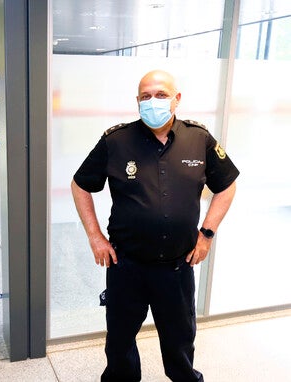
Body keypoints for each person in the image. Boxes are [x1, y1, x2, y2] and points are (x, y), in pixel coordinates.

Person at [71, 70, 239, 382]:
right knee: (119, 342)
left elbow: (227, 186)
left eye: (161, 95)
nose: (153, 101)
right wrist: (95, 237)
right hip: (126, 266)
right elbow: (80, 185)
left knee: (179, 343)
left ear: (177, 99)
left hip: (176, 267)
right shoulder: (116, 141)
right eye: (145, 96)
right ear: (137, 101)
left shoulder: (198, 139)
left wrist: (207, 234)